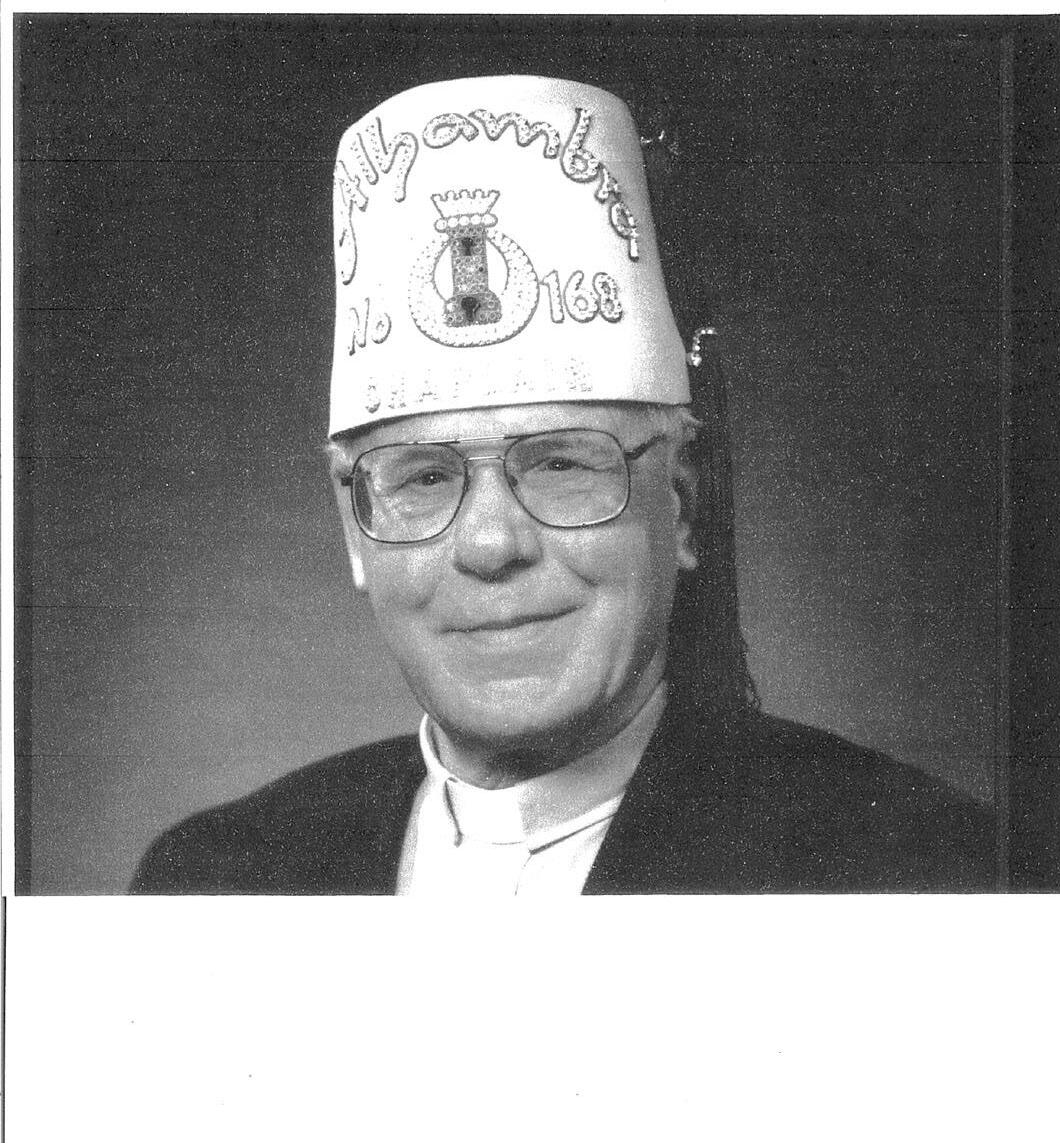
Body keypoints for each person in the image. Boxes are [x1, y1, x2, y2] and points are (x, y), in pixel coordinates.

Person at [131, 74, 995, 897]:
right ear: (353, 527)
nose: (489, 545)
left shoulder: (920, 864)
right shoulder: (212, 876)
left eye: (559, 464)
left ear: (681, 500)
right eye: (424, 477)